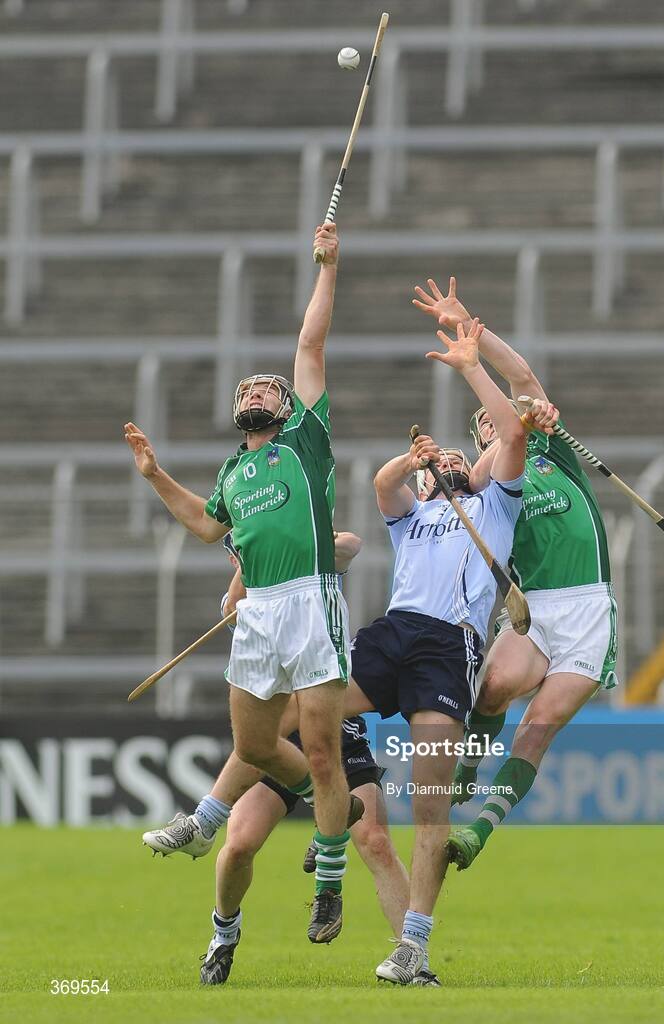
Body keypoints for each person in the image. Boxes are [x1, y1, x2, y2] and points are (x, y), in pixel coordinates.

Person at [125, 223, 354, 945]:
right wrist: (157, 475)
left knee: (321, 751)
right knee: (257, 749)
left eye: (270, 387)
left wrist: (327, 267)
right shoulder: (232, 472)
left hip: (311, 601)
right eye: (249, 387)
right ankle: (324, 809)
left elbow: (309, 346)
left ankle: (329, 878)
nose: (259, 390)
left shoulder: (306, 443)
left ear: (286, 408)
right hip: (258, 614)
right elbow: (204, 526)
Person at [342, 317, 553, 985]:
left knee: (429, 805)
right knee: (304, 711)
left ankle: (414, 947)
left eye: (462, 460)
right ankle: (322, 820)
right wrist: (409, 464)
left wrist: (469, 364)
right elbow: (382, 488)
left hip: (447, 648)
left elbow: (513, 434)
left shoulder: (494, 507)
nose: (453, 466)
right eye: (444, 465)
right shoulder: (414, 517)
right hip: (392, 631)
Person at [412, 277, 619, 870]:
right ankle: (470, 766)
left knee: (538, 725)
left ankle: (477, 830)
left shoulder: (553, 453)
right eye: (487, 427)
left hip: (585, 610)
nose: (501, 426)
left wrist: (469, 326)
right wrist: (498, 407)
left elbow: (523, 380)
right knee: (493, 687)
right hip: (533, 611)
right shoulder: (490, 487)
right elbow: (495, 447)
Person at [193, 533, 432, 986]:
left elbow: (350, 544)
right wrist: (248, 568)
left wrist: (300, 544)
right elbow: (234, 611)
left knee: (377, 842)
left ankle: (414, 960)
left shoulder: (310, 553)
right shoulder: (242, 595)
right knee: (238, 845)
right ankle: (224, 933)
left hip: (337, 735)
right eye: (237, 547)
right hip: (283, 742)